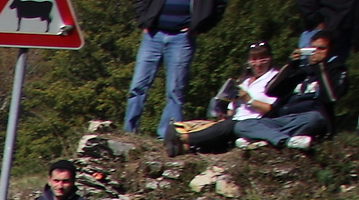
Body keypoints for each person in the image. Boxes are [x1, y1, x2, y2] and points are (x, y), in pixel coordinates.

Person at [122, 0, 224, 140]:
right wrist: (143, 20)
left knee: (175, 91)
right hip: (153, 35)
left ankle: (167, 136)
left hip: (182, 38)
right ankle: (129, 132)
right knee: (137, 86)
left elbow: (219, 5)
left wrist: (200, 27)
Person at [234, 32, 344, 147]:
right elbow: (271, 90)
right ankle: (284, 140)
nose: (316, 52)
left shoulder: (336, 69)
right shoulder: (301, 69)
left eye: (321, 48)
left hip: (308, 117)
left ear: (331, 50)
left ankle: (265, 138)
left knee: (314, 118)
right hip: (283, 119)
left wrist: (319, 67)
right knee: (243, 125)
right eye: (312, 48)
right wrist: (290, 64)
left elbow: (331, 97)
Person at [178, 42, 281, 151]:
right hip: (235, 120)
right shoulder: (245, 80)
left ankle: (183, 138)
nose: (258, 64)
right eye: (254, 60)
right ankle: (186, 147)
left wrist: (248, 99)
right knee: (221, 128)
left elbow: (272, 109)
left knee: (228, 127)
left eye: (263, 59)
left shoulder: (274, 79)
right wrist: (224, 113)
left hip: (253, 123)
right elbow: (232, 109)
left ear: (270, 59)